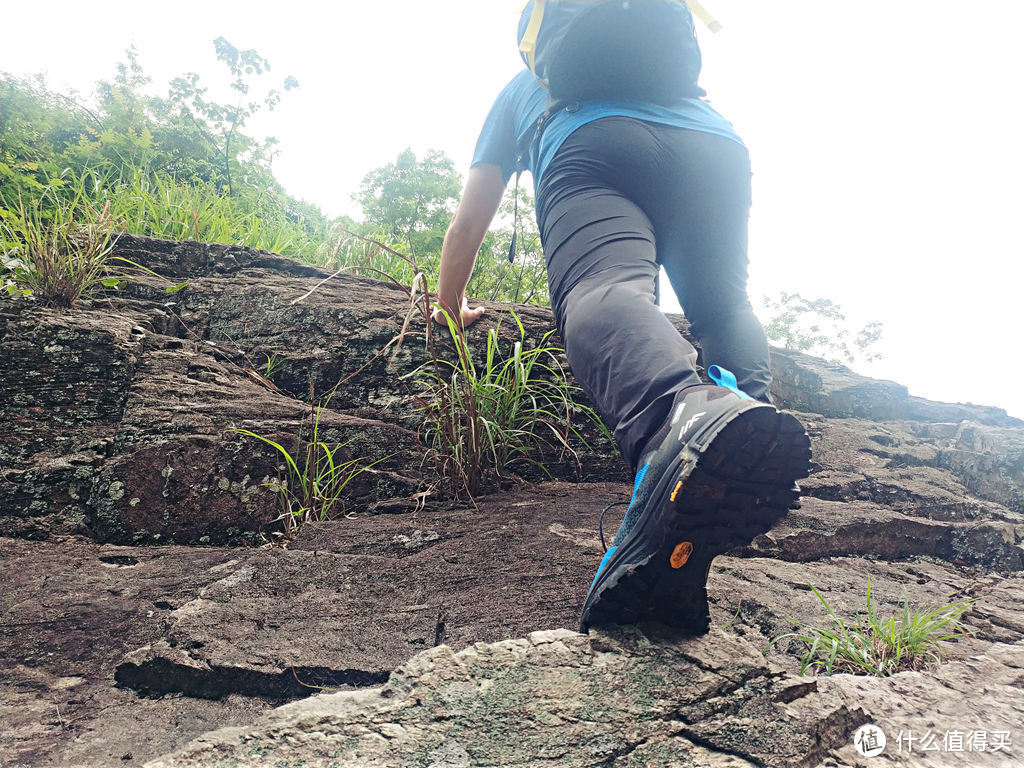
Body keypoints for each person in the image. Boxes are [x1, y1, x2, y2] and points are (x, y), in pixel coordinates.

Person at [432, 59, 810, 634]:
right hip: (713, 147)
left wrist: (449, 303)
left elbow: (466, 223)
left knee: (601, 285)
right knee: (725, 308)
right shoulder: (666, 72)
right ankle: (741, 423)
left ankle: (680, 417)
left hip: (594, 142)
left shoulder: (528, 82)